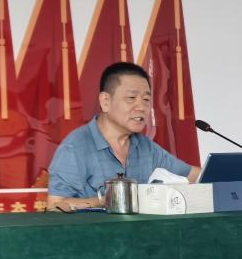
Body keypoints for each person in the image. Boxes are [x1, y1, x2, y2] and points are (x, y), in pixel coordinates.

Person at [47, 61, 201, 211]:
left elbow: (195, 176)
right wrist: (109, 201)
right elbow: (55, 205)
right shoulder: (75, 147)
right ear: (105, 101)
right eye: (131, 98)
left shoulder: (146, 147)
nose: (141, 107)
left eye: (146, 99)